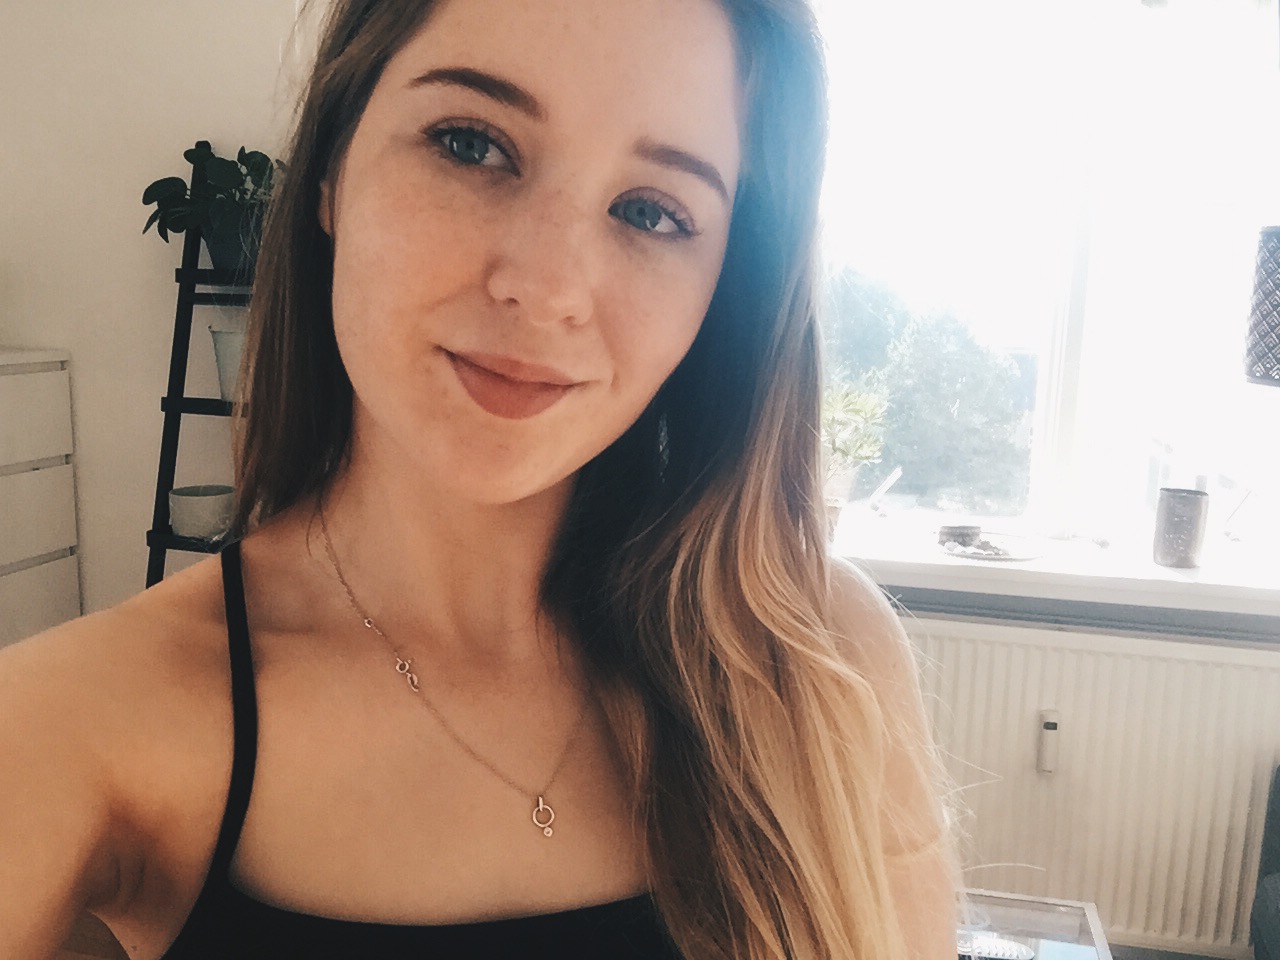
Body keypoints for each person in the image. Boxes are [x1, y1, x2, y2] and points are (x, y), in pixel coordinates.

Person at [0, 0, 963, 957]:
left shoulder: (820, 667)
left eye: (652, 211)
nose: (546, 288)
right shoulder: (78, 722)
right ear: (331, 169)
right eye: (471, 145)